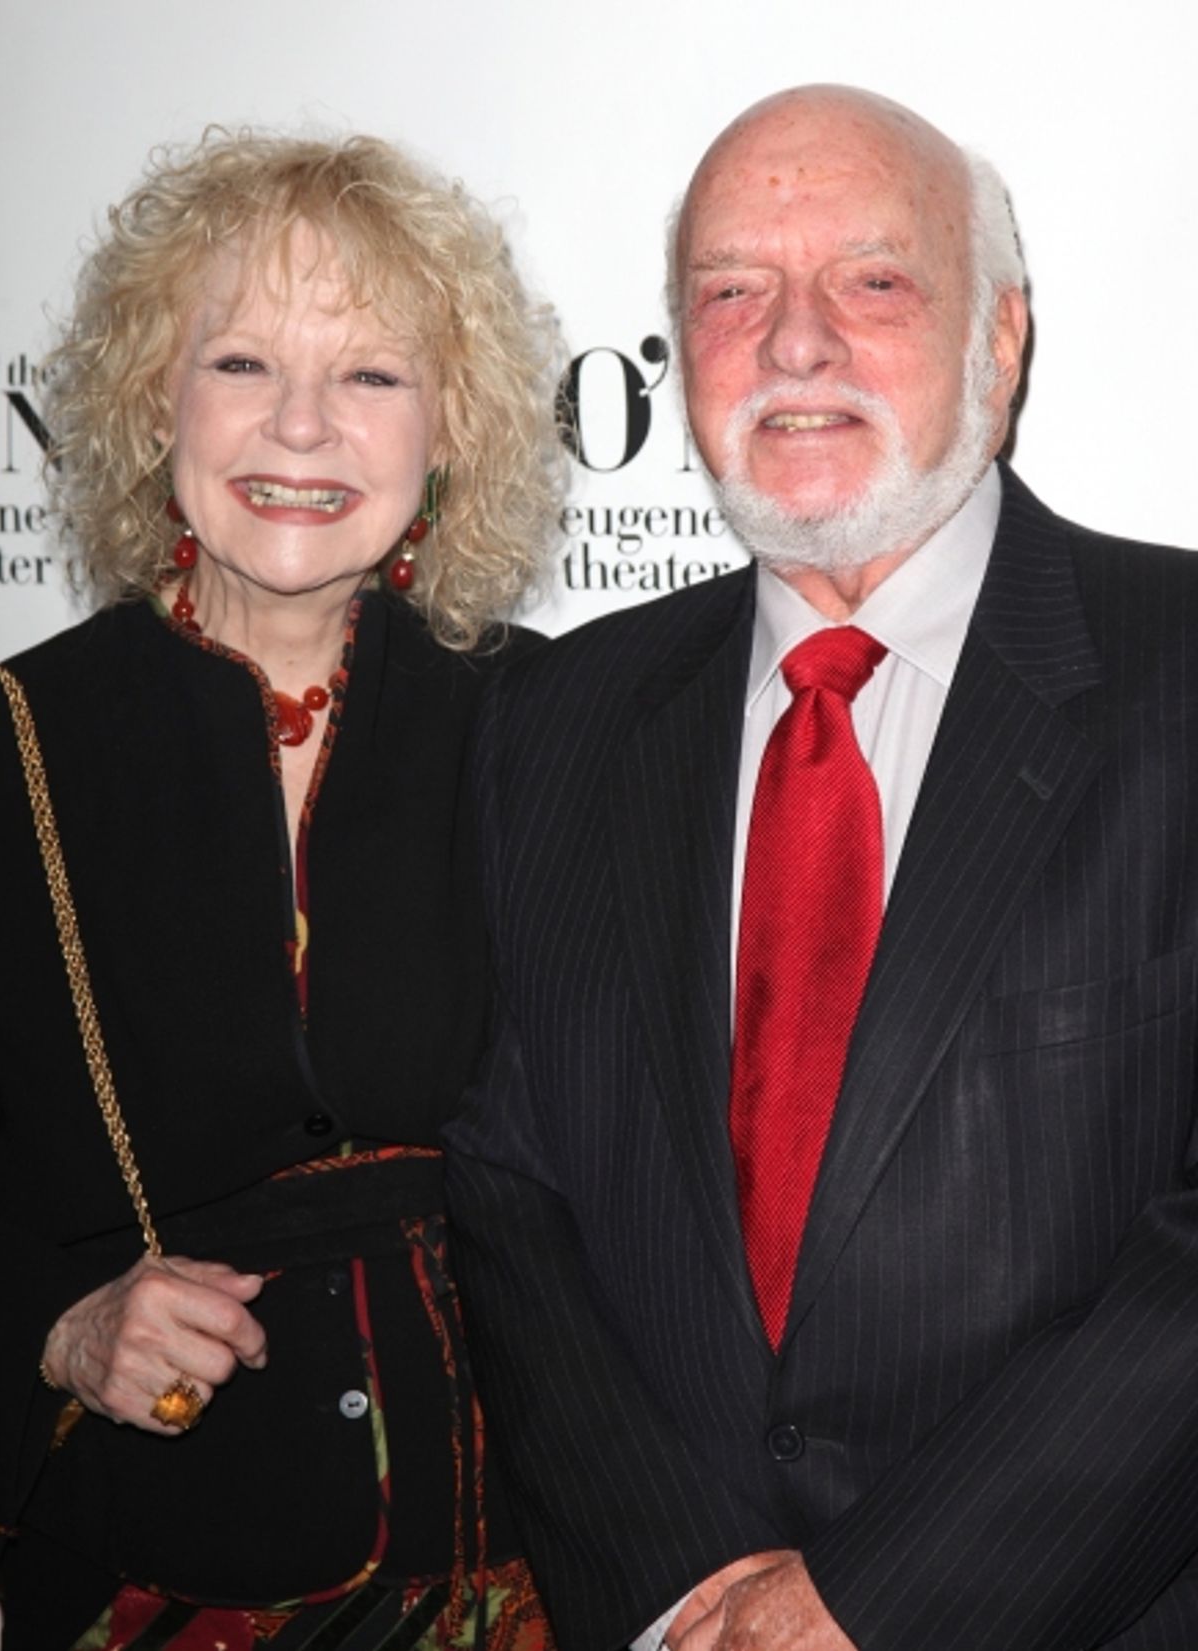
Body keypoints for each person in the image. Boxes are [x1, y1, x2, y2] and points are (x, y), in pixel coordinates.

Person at [444, 83, 1198, 1651]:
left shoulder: (1180, 671)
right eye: (730, 293)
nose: (791, 344)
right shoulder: (553, 719)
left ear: (1001, 340)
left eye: (873, 281)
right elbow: (513, 1196)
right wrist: (685, 1594)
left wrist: (877, 1605)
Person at [0, 130, 562, 1650]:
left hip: (531, 1567)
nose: (301, 427)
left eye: (373, 376)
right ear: (146, 400)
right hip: (155, 1569)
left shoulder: (563, 730)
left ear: (451, 429)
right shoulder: (20, 746)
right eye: (242, 361)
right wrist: (56, 1330)